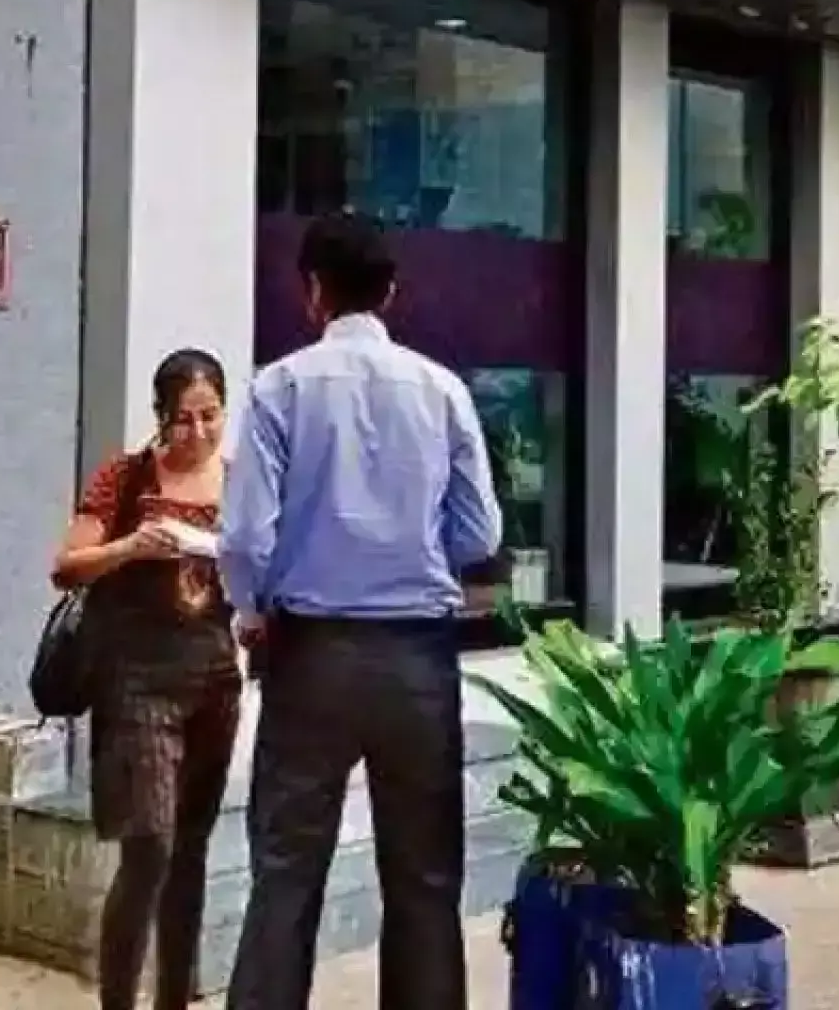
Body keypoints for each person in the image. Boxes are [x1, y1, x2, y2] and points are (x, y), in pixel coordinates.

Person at [219, 213, 504, 1010]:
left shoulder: (279, 387)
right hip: (418, 661)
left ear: (312, 291)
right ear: (391, 291)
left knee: (285, 875)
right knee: (425, 879)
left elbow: (244, 537)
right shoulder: (443, 391)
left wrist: (250, 610)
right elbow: (480, 534)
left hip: (310, 658)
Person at [51, 350, 242, 1010]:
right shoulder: (126, 477)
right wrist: (131, 546)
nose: (198, 432)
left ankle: (174, 998)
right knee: (149, 846)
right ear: (161, 417)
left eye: (211, 416)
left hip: (214, 679)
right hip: (139, 681)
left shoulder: (240, 483)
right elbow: (67, 565)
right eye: (184, 419)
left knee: (190, 850)